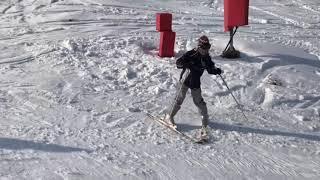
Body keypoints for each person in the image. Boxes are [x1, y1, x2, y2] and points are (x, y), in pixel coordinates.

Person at [166, 35, 222, 139]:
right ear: (199, 46)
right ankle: (169, 116)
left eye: (207, 48)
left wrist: (216, 71)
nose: (206, 50)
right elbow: (178, 63)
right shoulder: (191, 54)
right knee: (179, 99)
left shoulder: (207, 57)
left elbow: (210, 69)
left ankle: (205, 122)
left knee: (199, 102)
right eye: (204, 48)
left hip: (195, 82)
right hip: (185, 80)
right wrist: (185, 63)